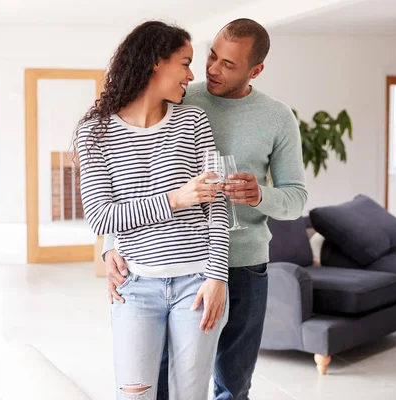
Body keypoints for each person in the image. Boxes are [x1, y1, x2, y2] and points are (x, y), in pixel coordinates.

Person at [102, 18, 308, 400]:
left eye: (228, 65)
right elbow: (132, 173)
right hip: (176, 263)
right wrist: (112, 245)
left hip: (244, 265)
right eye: (211, 56)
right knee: (162, 380)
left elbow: (296, 198)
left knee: (233, 384)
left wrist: (260, 195)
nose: (211, 69)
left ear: (256, 70)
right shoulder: (180, 95)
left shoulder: (278, 118)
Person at [75, 21, 231, 400]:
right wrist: (177, 199)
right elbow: (101, 217)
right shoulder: (94, 132)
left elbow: (218, 203)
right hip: (135, 287)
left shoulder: (193, 121)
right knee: (134, 394)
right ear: (155, 62)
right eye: (185, 62)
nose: (192, 75)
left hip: (197, 284)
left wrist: (217, 276)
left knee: (189, 395)